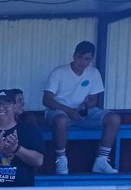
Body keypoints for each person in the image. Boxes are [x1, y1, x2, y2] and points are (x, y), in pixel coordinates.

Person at [44, 41, 121, 174]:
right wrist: (70, 111)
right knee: (61, 120)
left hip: (81, 112)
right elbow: (47, 100)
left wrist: (83, 107)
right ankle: (61, 160)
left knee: (114, 119)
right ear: (74, 55)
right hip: (59, 112)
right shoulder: (59, 72)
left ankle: (101, 160)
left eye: (87, 59)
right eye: (79, 57)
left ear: (91, 59)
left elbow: (93, 100)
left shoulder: (94, 73)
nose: (82, 62)